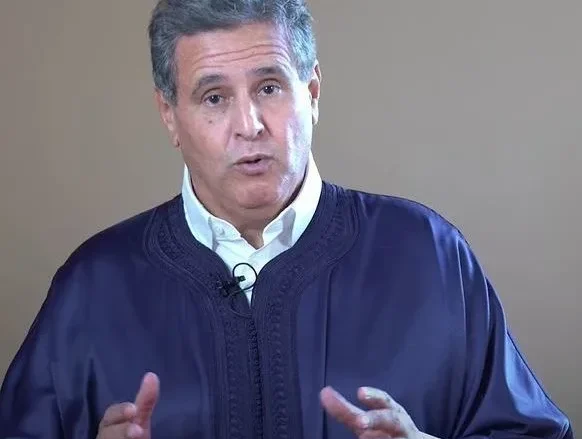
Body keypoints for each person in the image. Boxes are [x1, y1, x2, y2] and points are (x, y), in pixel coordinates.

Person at [0, 0, 574, 438]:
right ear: (169, 115)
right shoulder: (93, 284)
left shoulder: (428, 255)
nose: (249, 124)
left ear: (313, 91)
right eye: (214, 97)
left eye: (269, 87)